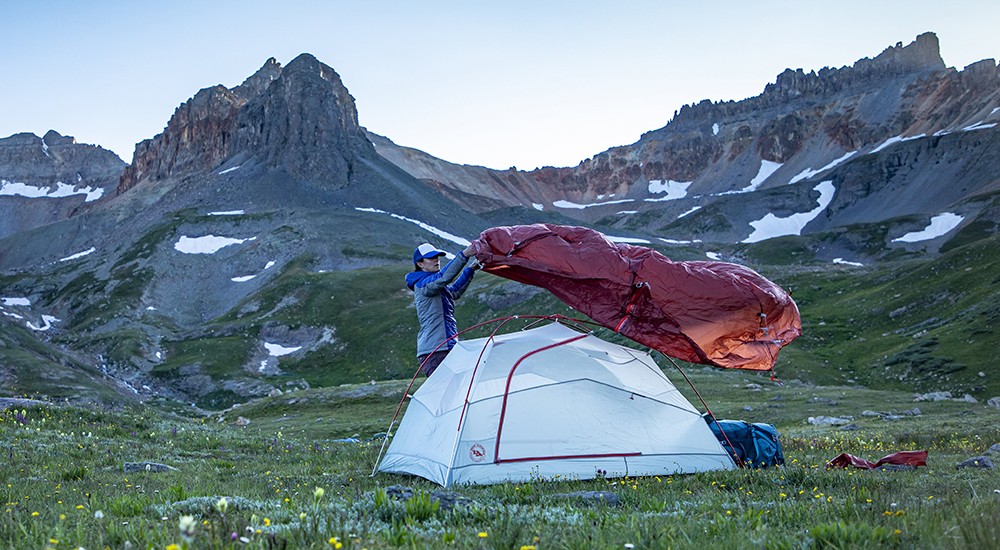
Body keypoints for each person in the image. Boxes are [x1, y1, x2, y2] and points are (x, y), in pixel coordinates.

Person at [405, 242, 480, 376]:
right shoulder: (423, 283)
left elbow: (453, 292)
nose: (436, 260)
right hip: (435, 351)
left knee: (456, 391)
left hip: (445, 346)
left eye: (437, 257)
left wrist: (471, 269)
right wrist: (465, 254)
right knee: (447, 393)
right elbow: (444, 277)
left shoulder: (431, 284)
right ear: (420, 264)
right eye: (431, 258)